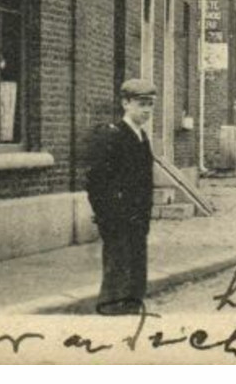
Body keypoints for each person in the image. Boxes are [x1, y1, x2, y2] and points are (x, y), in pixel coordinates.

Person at [86, 78, 157, 314]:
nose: (146, 110)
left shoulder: (142, 138)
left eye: (150, 104)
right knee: (116, 270)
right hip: (117, 220)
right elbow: (97, 182)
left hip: (138, 219)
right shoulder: (113, 136)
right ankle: (111, 312)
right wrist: (108, 217)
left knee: (136, 269)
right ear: (126, 104)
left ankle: (131, 309)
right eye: (141, 103)